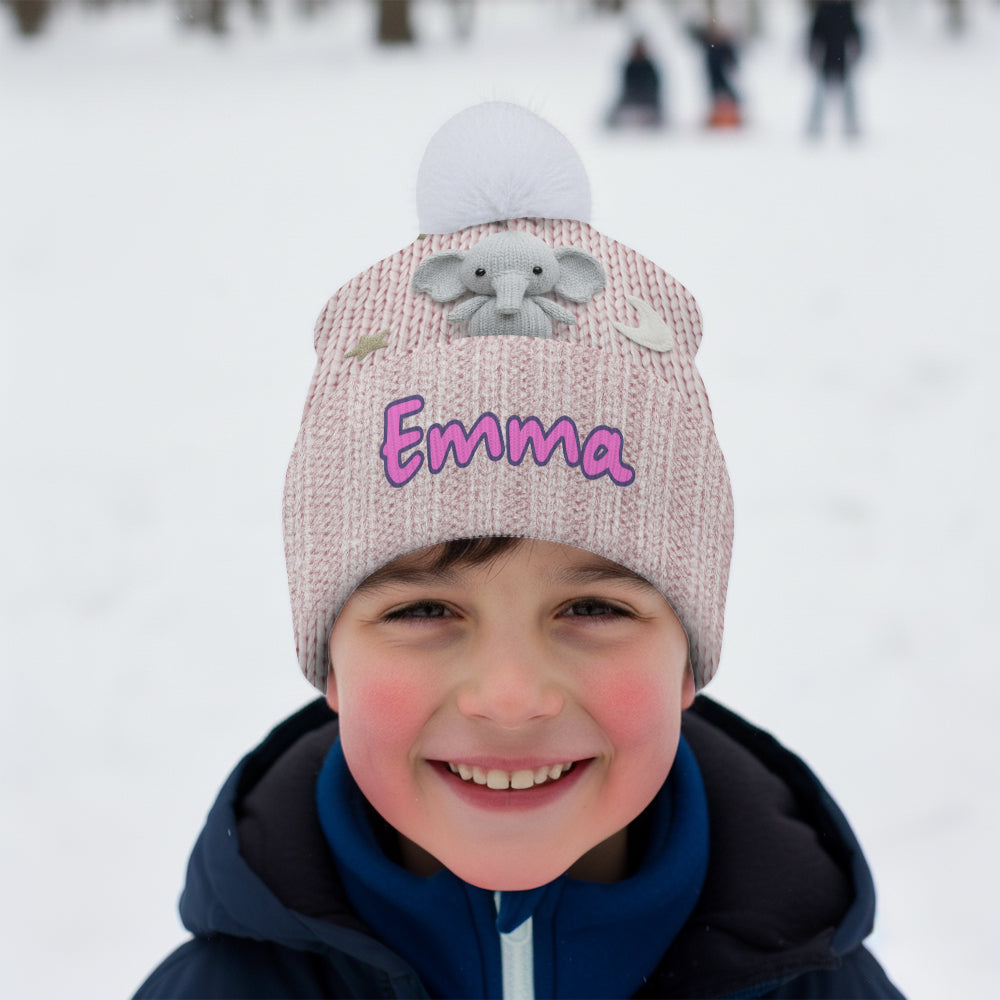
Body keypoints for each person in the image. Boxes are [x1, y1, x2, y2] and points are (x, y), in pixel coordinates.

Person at [133, 102, 904, 999]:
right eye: (424, 609)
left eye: (593, 608)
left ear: (688, 658)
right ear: (329, 663)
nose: (510, 698)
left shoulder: (817, 985)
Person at [806, 0, 864, 137]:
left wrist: (857, 49)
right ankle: (814, 124)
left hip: (842, 58)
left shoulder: (846, 8)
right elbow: (815, 32)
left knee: (849, 94)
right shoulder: (823, 9)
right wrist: (812, 51)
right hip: (825, 59)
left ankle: (852, 124)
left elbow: (854, 31)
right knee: (818, 94)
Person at [687, 19, 743, 128]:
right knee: (717, 98)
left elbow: (733, 63)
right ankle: (719, 118)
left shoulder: (725, 46)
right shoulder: (708, 45)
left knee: (730, 97)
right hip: (713, 79)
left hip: (725, 79)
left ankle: (730, 117)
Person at [606, 36, 665, 128]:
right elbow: (625, 88)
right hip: (631, 102)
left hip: (648, 103)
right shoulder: (629, 66)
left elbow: (654, 88)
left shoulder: (649, 66)